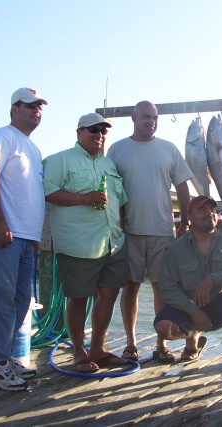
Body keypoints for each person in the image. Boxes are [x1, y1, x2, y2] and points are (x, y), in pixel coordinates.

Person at [107, 100, 194, 363]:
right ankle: (131, 344)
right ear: (133, 117)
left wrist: (184, 223)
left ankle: (161, 344)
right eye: (146, 117)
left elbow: (183, 188)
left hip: (162, 232)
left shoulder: (168, 149)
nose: (151, 122)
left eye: (155, 117)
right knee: (130, 287)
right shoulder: (116, 149)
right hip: (128, 232)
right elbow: (110, 189)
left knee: (162, 289)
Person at [42, 113, 130, 373]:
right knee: (78, 297)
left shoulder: (109, 165)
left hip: (113, 242)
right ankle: (79, 352)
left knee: (109, 295)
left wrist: (121, 230)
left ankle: (98, 349)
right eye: (93, 130)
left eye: (103, 131)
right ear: (79, 131)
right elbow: (48, 192)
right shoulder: (59, 160)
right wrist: (84, 198)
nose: (99, 135)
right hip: (78, 244)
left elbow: (120, 200)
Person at [0, 87, 48, 390]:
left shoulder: (33, 148)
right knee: (1, 300)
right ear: (13, 109)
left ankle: (7, 359)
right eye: (30, 106)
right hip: (1, 234)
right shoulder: (1, 136)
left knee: (20, 302)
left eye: (39, 107)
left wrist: (33, 237)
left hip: (25, 239)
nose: (36, 111)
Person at [154, 195, 222, 369]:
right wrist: (193, 311)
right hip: (187, 310)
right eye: (202, 210)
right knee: (163, 327)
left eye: (212, 209)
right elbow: (167, 288)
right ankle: (192, 337)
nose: (209, 213)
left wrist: (213, 278)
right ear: (189, 217)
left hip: (216, 308)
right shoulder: (176, 248)